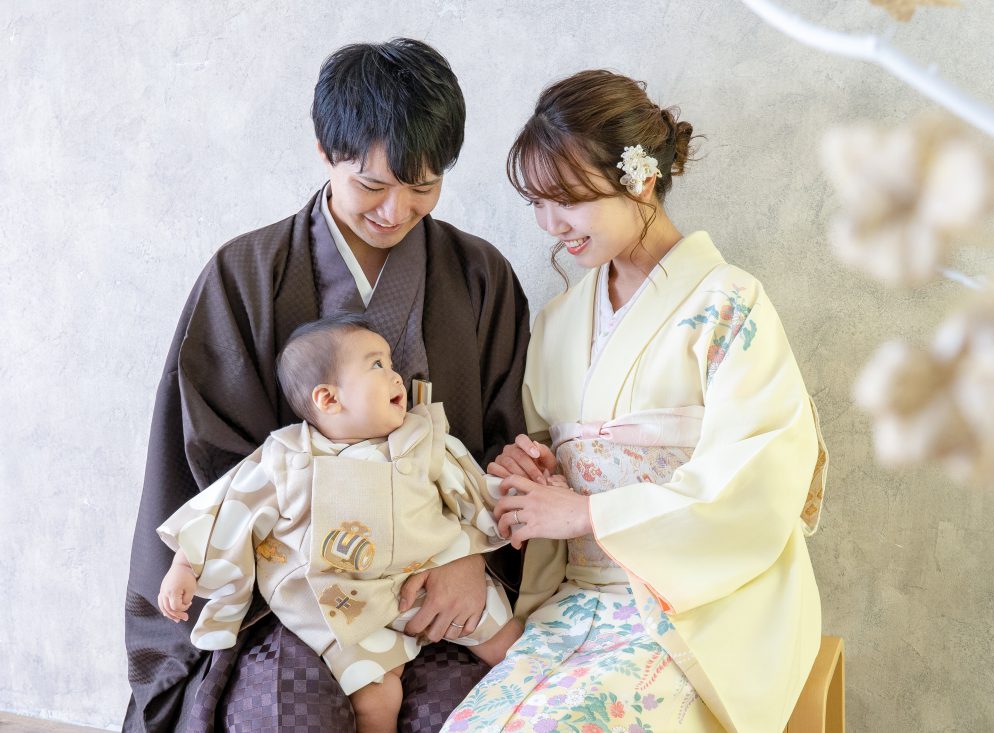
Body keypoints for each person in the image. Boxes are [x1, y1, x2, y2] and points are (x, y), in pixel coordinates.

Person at [125, 39, 530, 732]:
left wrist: (473, 561)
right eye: (372, 185)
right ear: (324, 148)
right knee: (287, 714)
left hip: (439, 584)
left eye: (423, 186)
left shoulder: (478, 276)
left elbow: (503, 443)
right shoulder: (245, 275)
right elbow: (209, 467)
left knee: (469, 717)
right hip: (295, 600)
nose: (396, 210)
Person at [441, 69, 829, 733]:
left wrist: (587, 510)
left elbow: (759, 483)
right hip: (576, 604)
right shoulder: (562, 318)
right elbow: (549, 476)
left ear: (639, 179)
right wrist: (532, 473)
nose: (549, 224)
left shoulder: (730, 305)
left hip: (698, 610)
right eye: (537, 203)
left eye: (565, 199)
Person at [157, 314, 523, 733]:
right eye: (377, 366)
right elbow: (227, 510)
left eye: (391, 363)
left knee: (507, 642)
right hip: (347, 605)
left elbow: (473, 490)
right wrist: (185, 566)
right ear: (329, 400)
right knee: (376, 697)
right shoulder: (287, 458)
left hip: (432, 577)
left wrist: (513, 507)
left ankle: (542, 706)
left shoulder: (422, 438)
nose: (397, 377)